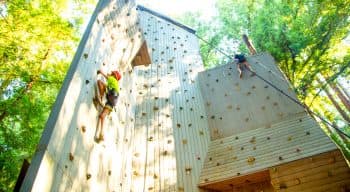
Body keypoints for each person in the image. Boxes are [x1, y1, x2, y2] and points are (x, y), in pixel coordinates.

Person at [93, 69, 121, 142]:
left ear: (114, 76)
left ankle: (99, 99)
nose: (109, 73)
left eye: (111, 73)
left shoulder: (113, 80)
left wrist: (101, 72)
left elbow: (107, 77)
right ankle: (101, 133)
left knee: (99, 82)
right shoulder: (113, 85)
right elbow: (106, 86)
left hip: (112, 98)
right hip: (112, 100)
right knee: (102, 116)